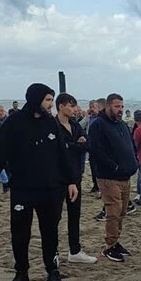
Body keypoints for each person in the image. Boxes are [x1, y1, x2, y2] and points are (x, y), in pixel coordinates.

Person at [0, 83, 76, 281]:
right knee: (20, 232)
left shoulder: (51, 122)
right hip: (23, 188)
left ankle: (52, 272)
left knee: (50, 231)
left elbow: (62, 153)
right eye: (47, 100)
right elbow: (0, 152)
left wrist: (71, 181)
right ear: (35, 99)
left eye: (51, 100)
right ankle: (21, 273)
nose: (50, 104)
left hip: (51, 188)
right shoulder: (14, 122)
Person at [89, 93, 139, 262]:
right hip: (109, 177)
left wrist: (135, 160)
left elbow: (130, 144)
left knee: (122, 211)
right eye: (117, 106)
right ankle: (110, 246)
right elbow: (96, 150)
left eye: (122, 106)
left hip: (125, 175)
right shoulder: (98, 125)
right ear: (108, 106)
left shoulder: (122, 124)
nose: (120, 109)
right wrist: (114, 166)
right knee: (113, 211)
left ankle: (116, 241)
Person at [55, 93, 97, 265]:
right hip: (57, 178)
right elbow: (58, 149)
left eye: (75, 106)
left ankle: (75, 250)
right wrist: (75, 145)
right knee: (54, 216)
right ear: (61, 106)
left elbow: (87, 144)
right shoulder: (53, 125)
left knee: (75, 214)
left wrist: (74, 145)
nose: (75, 109)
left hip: (76, 175)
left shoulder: (75, 125)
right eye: (71, 106)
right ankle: (53, 252)